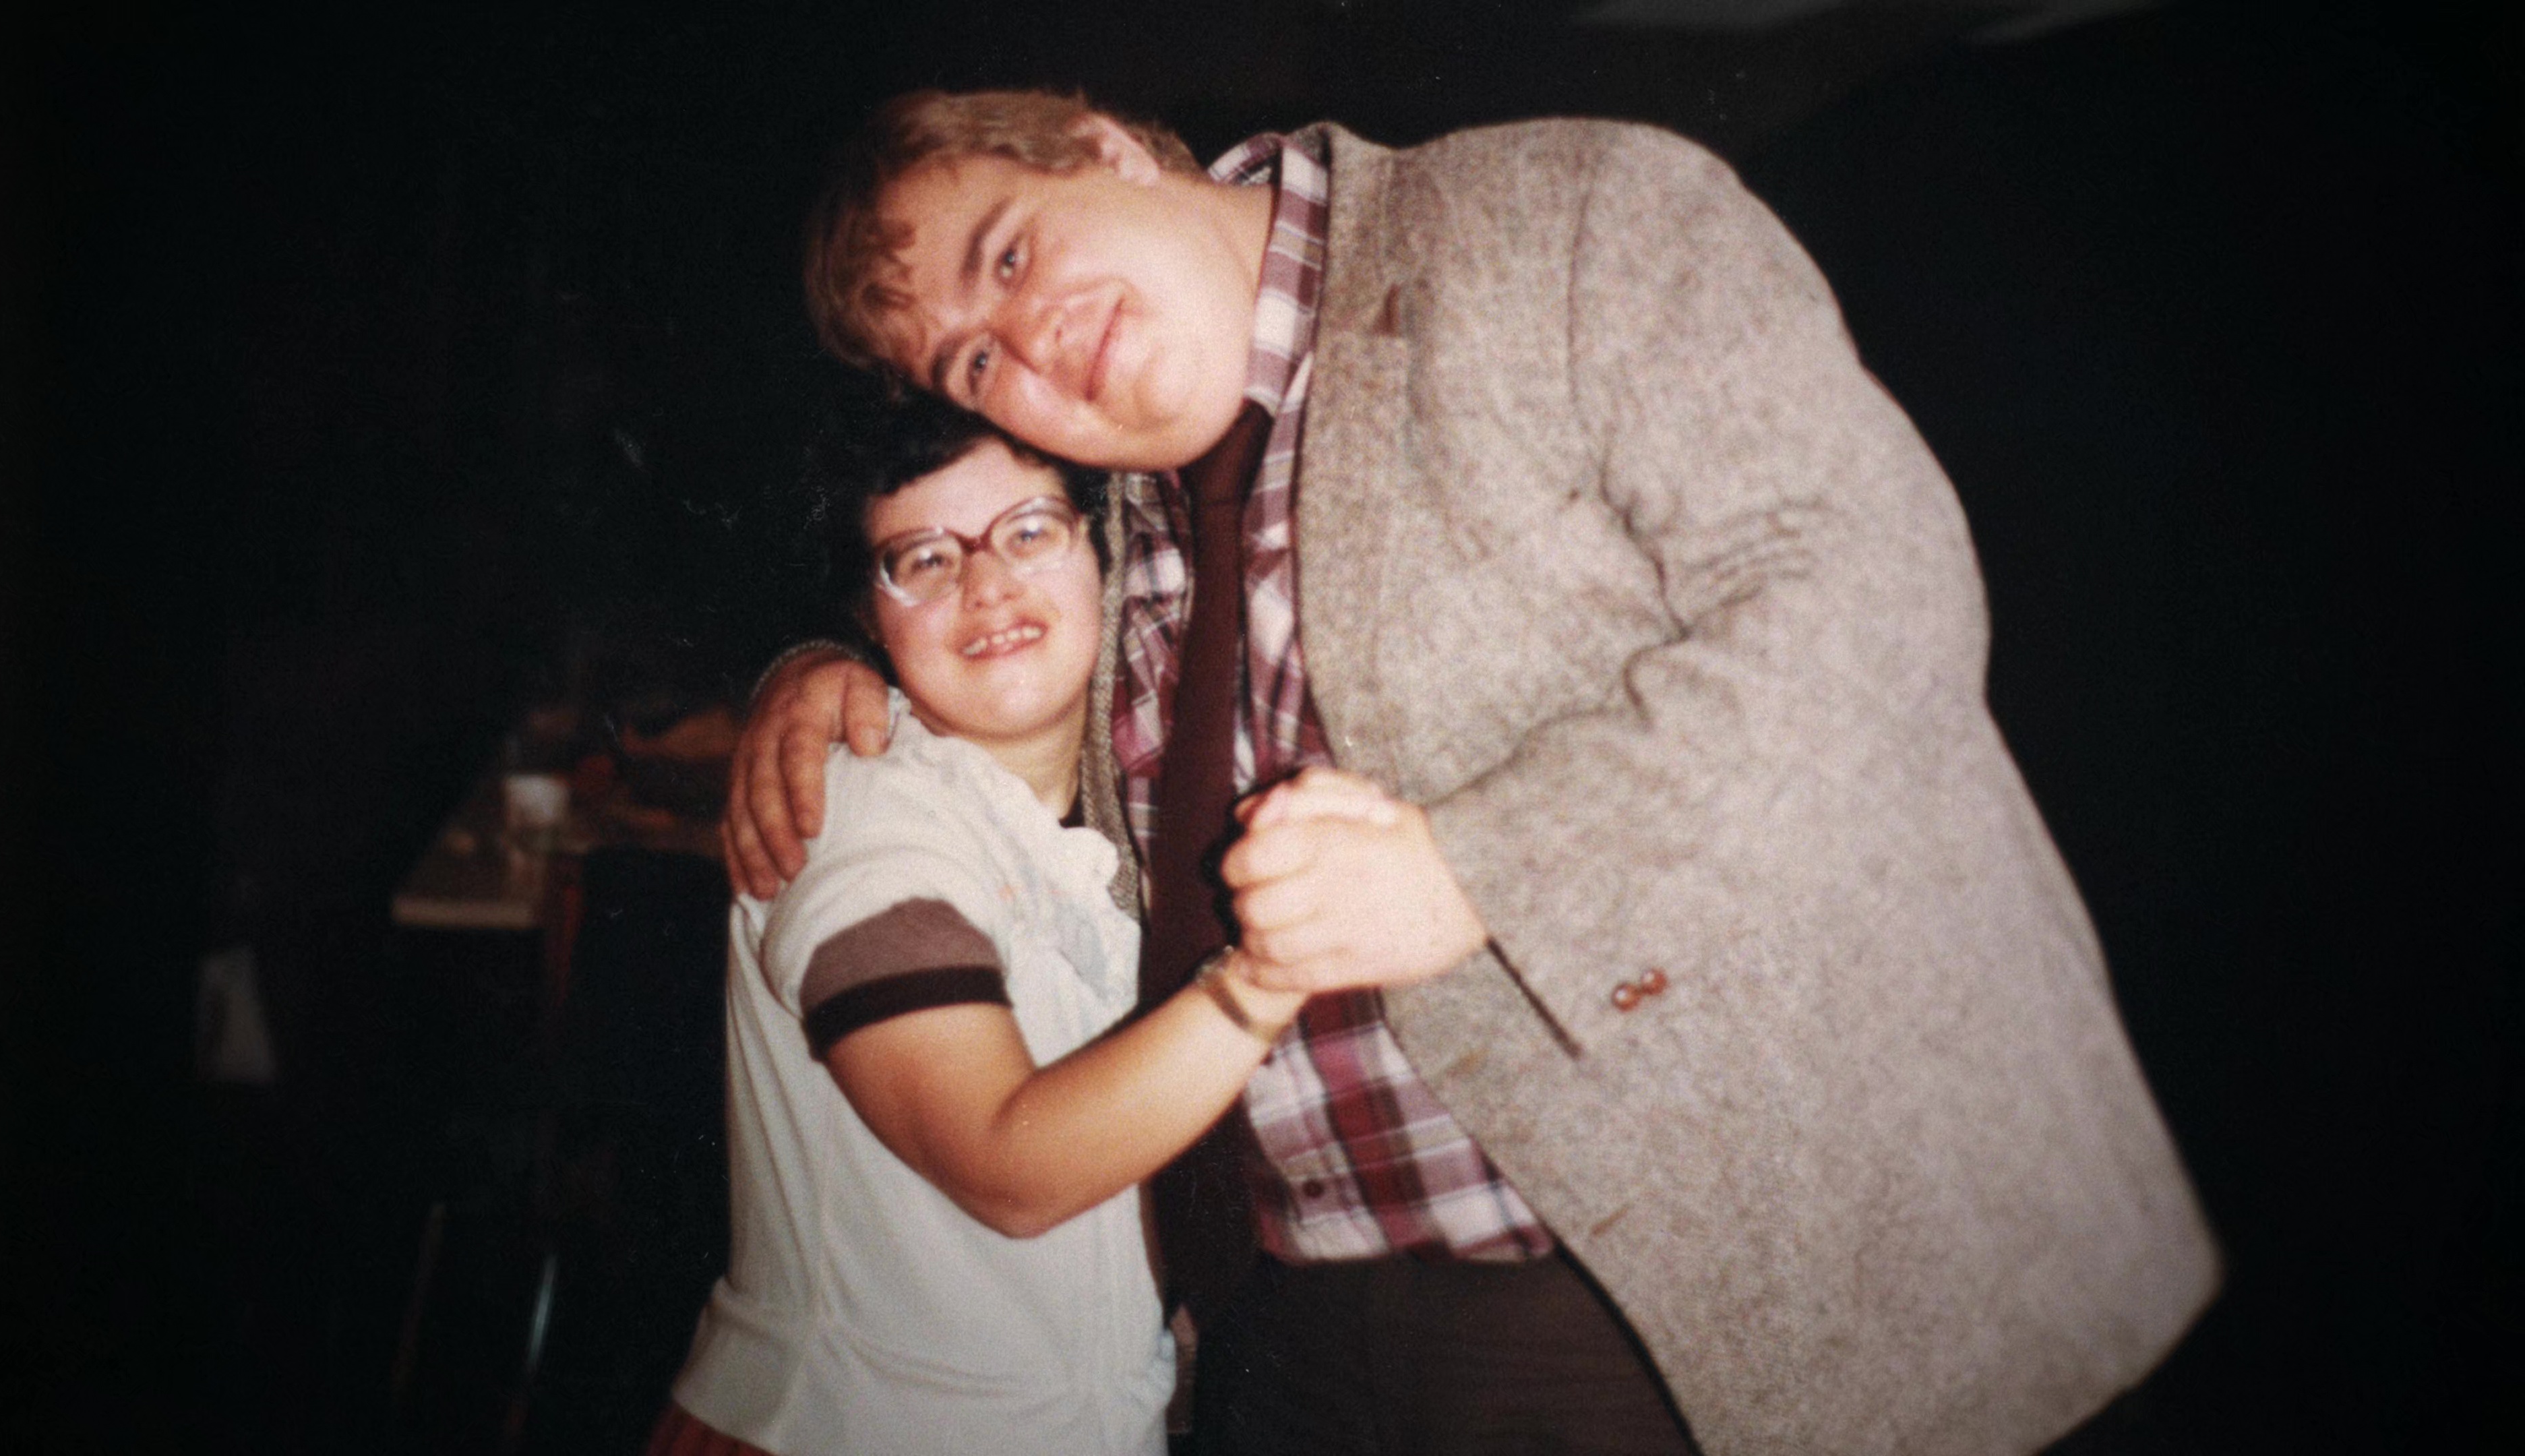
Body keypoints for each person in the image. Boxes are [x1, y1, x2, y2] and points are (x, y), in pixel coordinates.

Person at [726, 89, 2220, 1455]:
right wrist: (827, 670)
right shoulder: (1110, 505)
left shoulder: (1558, 217)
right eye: (976, 361)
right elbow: (990, 643)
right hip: (1289, 1345)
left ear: (1105, 148)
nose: (1031, 343)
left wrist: (1477, 867)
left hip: (1697, 1296)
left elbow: (1866, 596)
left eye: (1008, 255)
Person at [659, 397, 1331, 1456]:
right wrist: (1280, 966)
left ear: (1103, 556)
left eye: (1028, 532)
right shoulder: (863, 815)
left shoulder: (1102, 822)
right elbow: (1009, 1170)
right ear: (871, 614)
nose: (985, 586)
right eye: (924, 559)